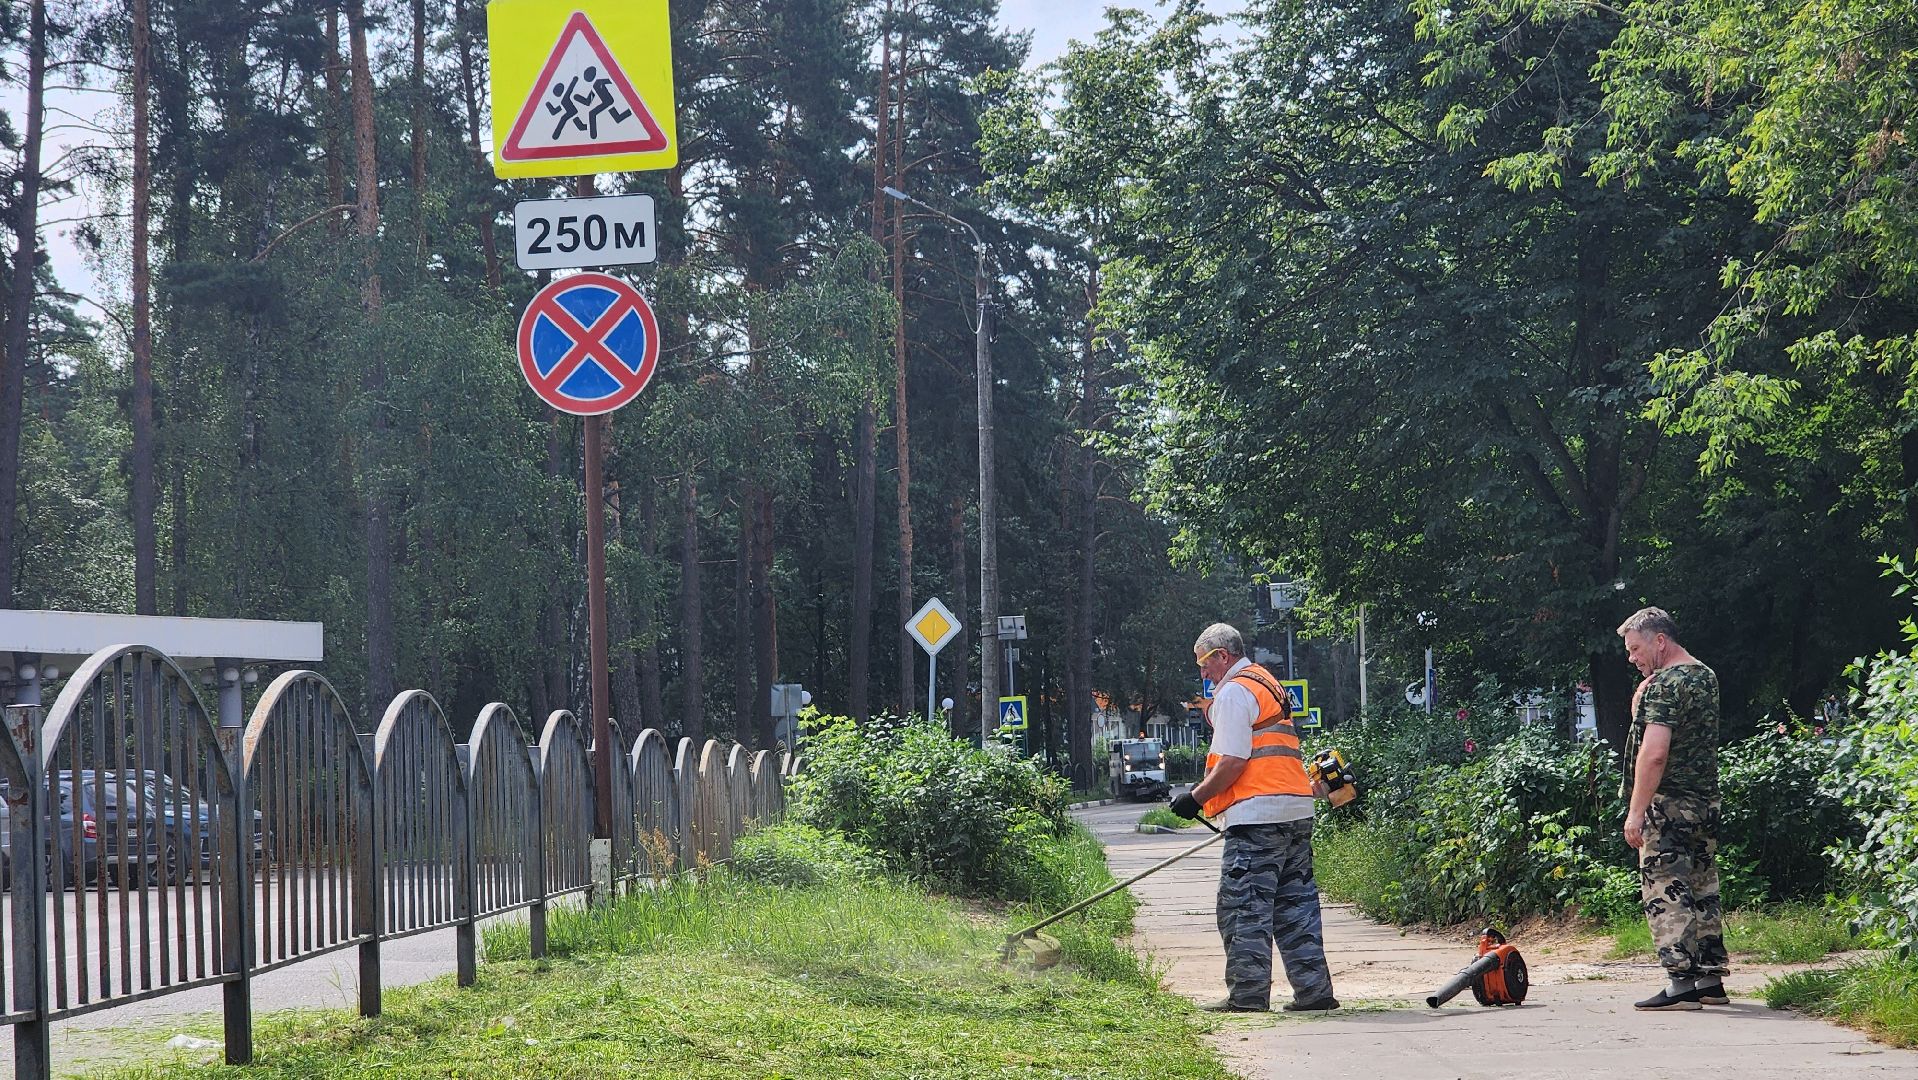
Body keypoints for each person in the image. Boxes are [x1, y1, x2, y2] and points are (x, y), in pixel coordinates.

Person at [1168, 622, 1337, 1013]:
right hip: (1296, 811)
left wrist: (1195, 799)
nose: (1203, 672)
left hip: (1258, 816)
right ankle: (1314, 993)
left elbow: (1233, 761)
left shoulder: (1233, 691)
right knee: (1296, 907)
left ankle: (1247, 996)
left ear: (1223, 655)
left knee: (1244, 907)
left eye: (1205, 663)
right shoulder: (1267, 683)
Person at [1618, 606, 1729, 1011]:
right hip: (1704, 802)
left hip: (1668, 806)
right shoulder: (1705, 676)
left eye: (1636, 648)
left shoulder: (1665, 685)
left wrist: (1636, 812)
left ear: (1660, 641)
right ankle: (1710, 980)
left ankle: (1681, 984)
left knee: (1666, 890)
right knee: (1702, 887)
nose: (1632, 658)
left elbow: (1655, 754)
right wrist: (1639, 708)